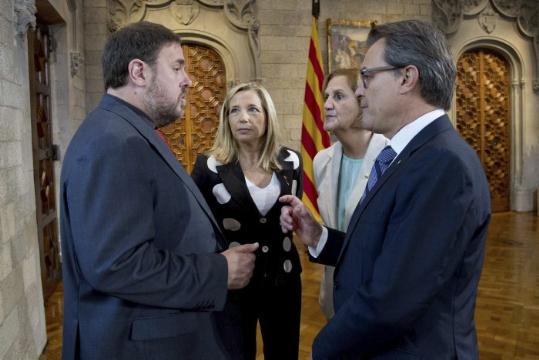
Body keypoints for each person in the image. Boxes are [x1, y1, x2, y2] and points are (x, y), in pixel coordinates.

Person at [280, 20, 491, 359]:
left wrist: (323, 348)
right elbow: (382, 253)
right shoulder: (410, 154)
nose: (360, 91)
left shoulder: (443, 164)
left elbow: (394, 295)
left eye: (367, 76)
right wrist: (320, 236)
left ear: (406, 78)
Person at [60, 21, 258, 360]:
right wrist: (218, 272)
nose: (188, 79)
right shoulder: (114, 142)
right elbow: (117, 264)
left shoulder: (125, 130)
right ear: (139, 72)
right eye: (177, 66)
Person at [191, 82, 303, 360]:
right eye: (234, 111)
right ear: (225, 119)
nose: (243, 118)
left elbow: (291, 211)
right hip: (233, 282)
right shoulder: (208, 166)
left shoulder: (291, 161)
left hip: (283, 278)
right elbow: (197, 225)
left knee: (284, 353)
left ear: (268, 116)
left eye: (253, 109)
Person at [315, 68, 387, 320]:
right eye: (326, 97)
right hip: (334, 294)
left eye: (338, 96)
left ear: (361, 101)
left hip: (376, 298)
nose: (327, 105)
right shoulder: (321, 161)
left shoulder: (390, 157)